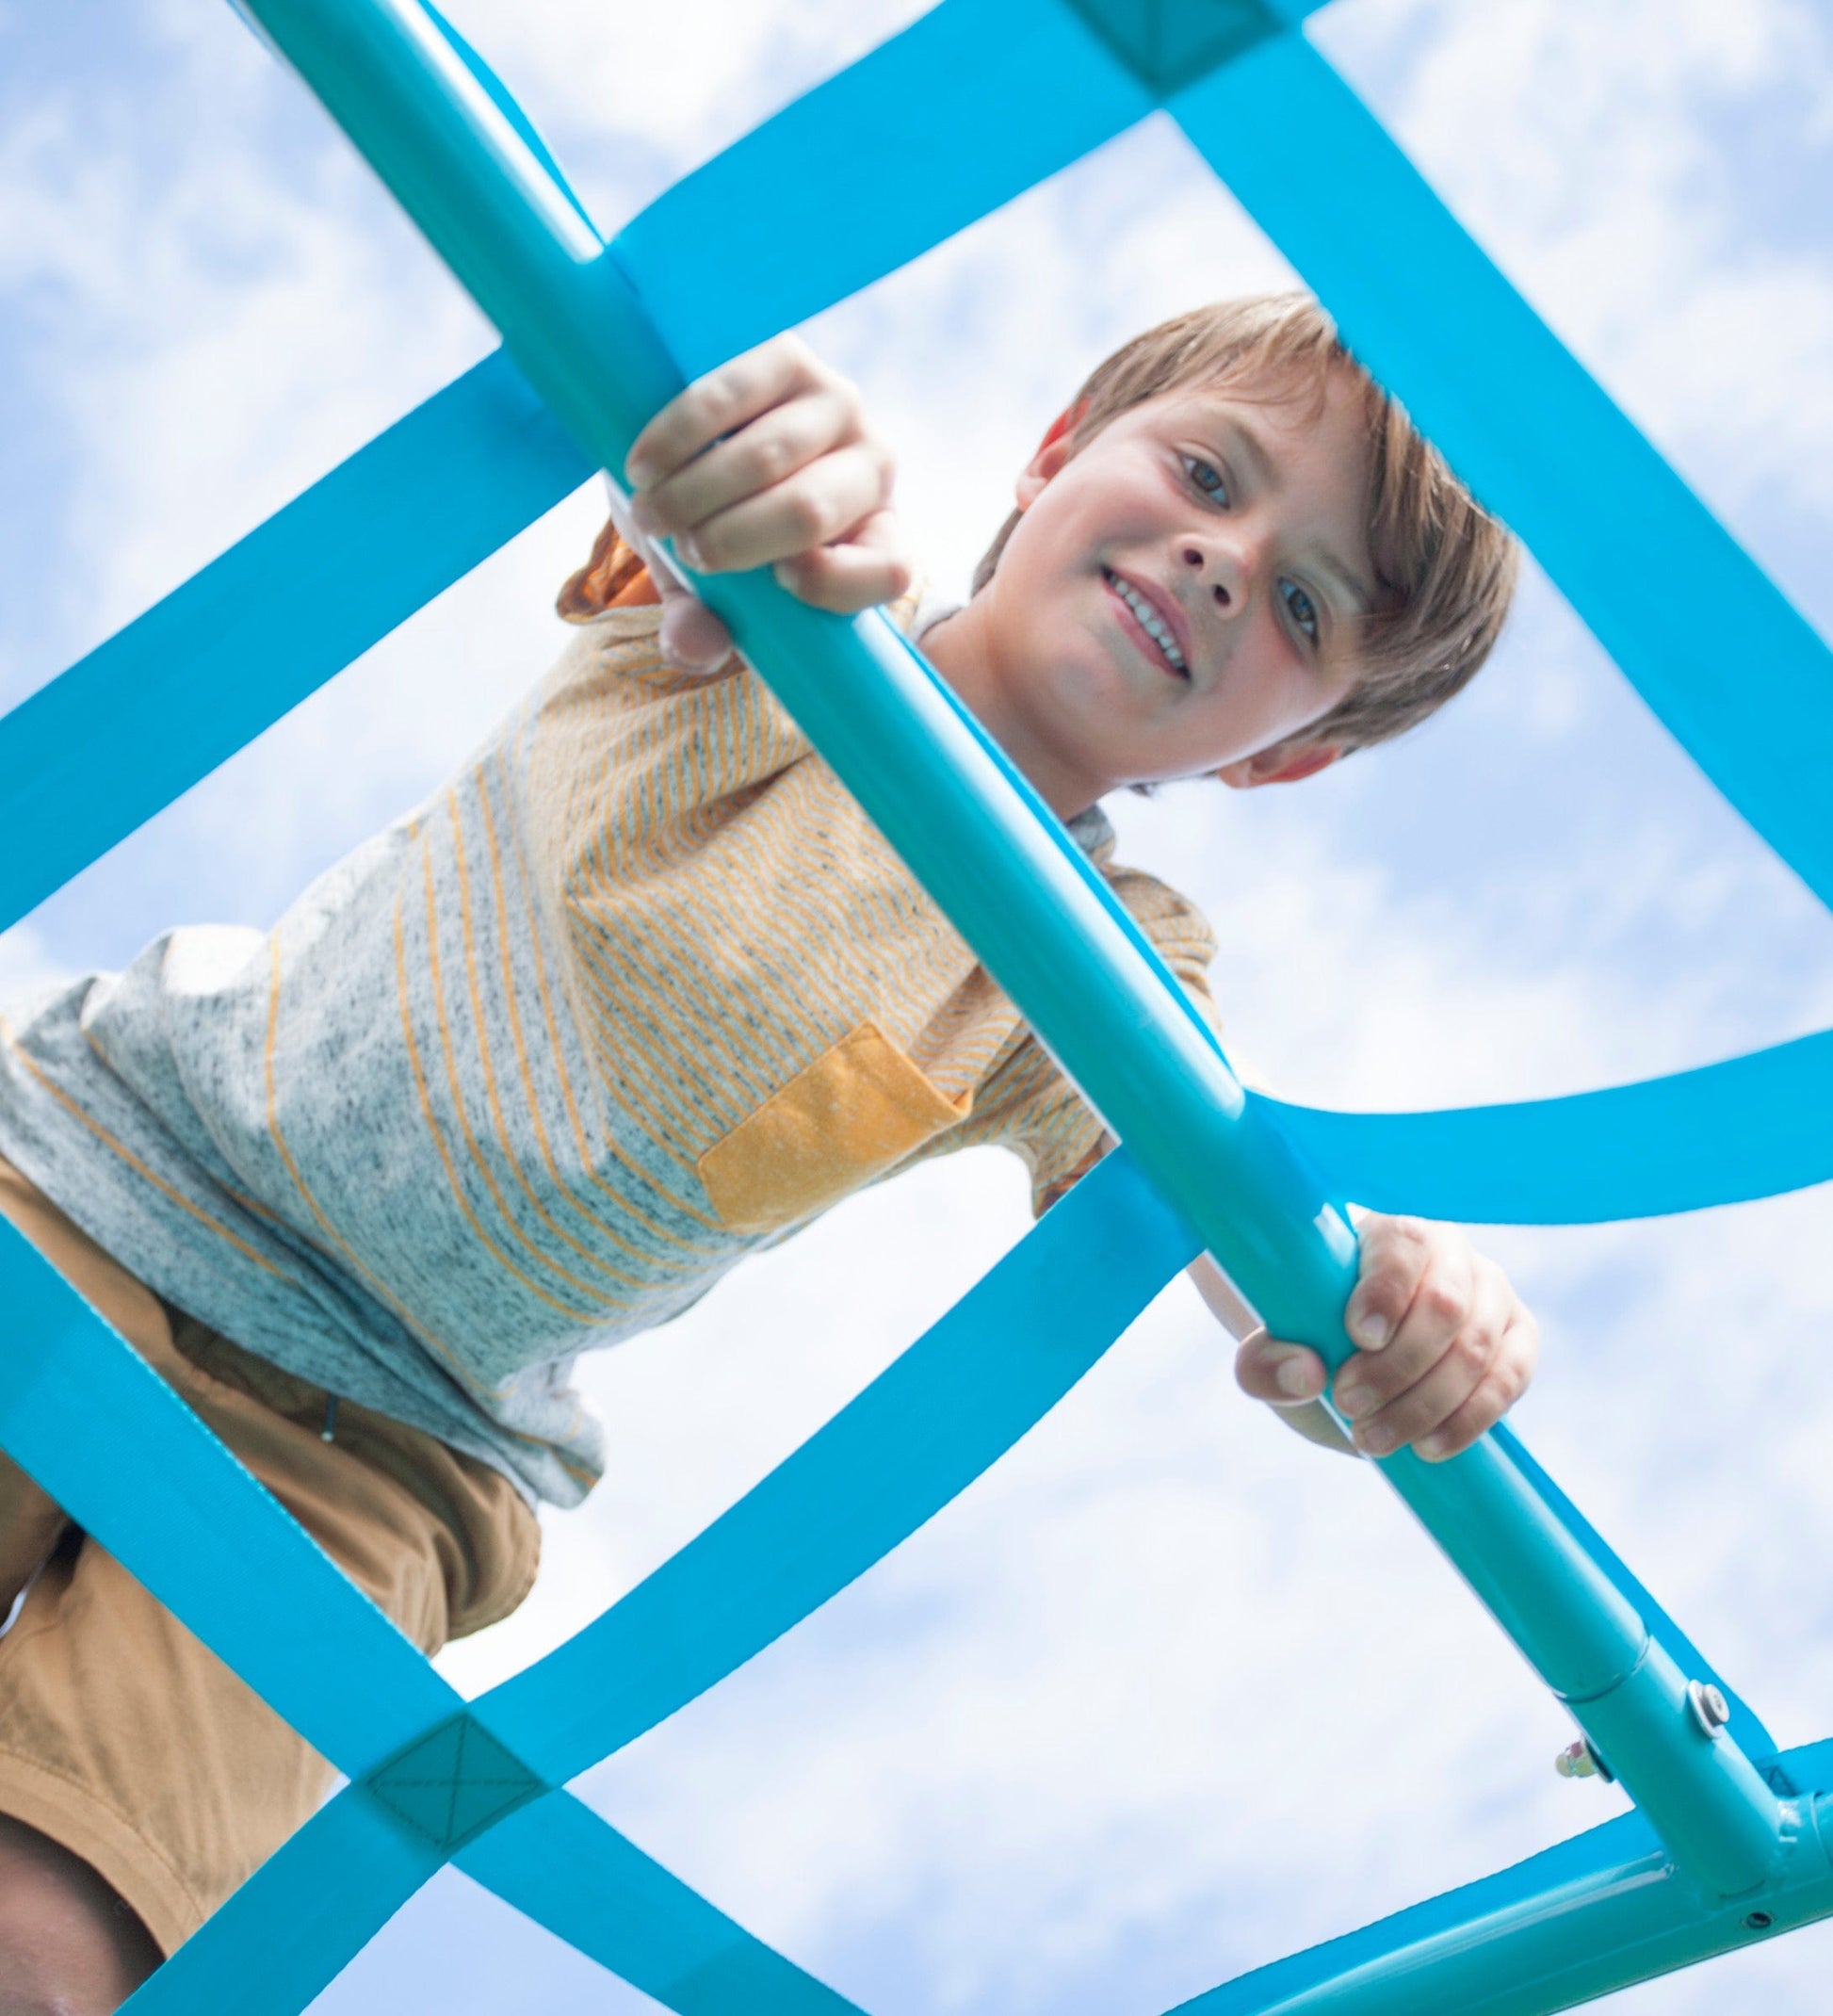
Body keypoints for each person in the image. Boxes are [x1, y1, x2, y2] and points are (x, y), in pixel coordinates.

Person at [0, 293, 1534, 2008]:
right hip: (103, 1174)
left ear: (1292, 754)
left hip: (391, 1444)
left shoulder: (1099, 965)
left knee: (57, 1955)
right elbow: (685, 487)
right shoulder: (780, 605)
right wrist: (765, 460)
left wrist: (1389, 1320)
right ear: (1051, 456)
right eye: (1202, 472)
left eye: (1304, 603)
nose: (1222, 559)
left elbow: (1232, 1241)